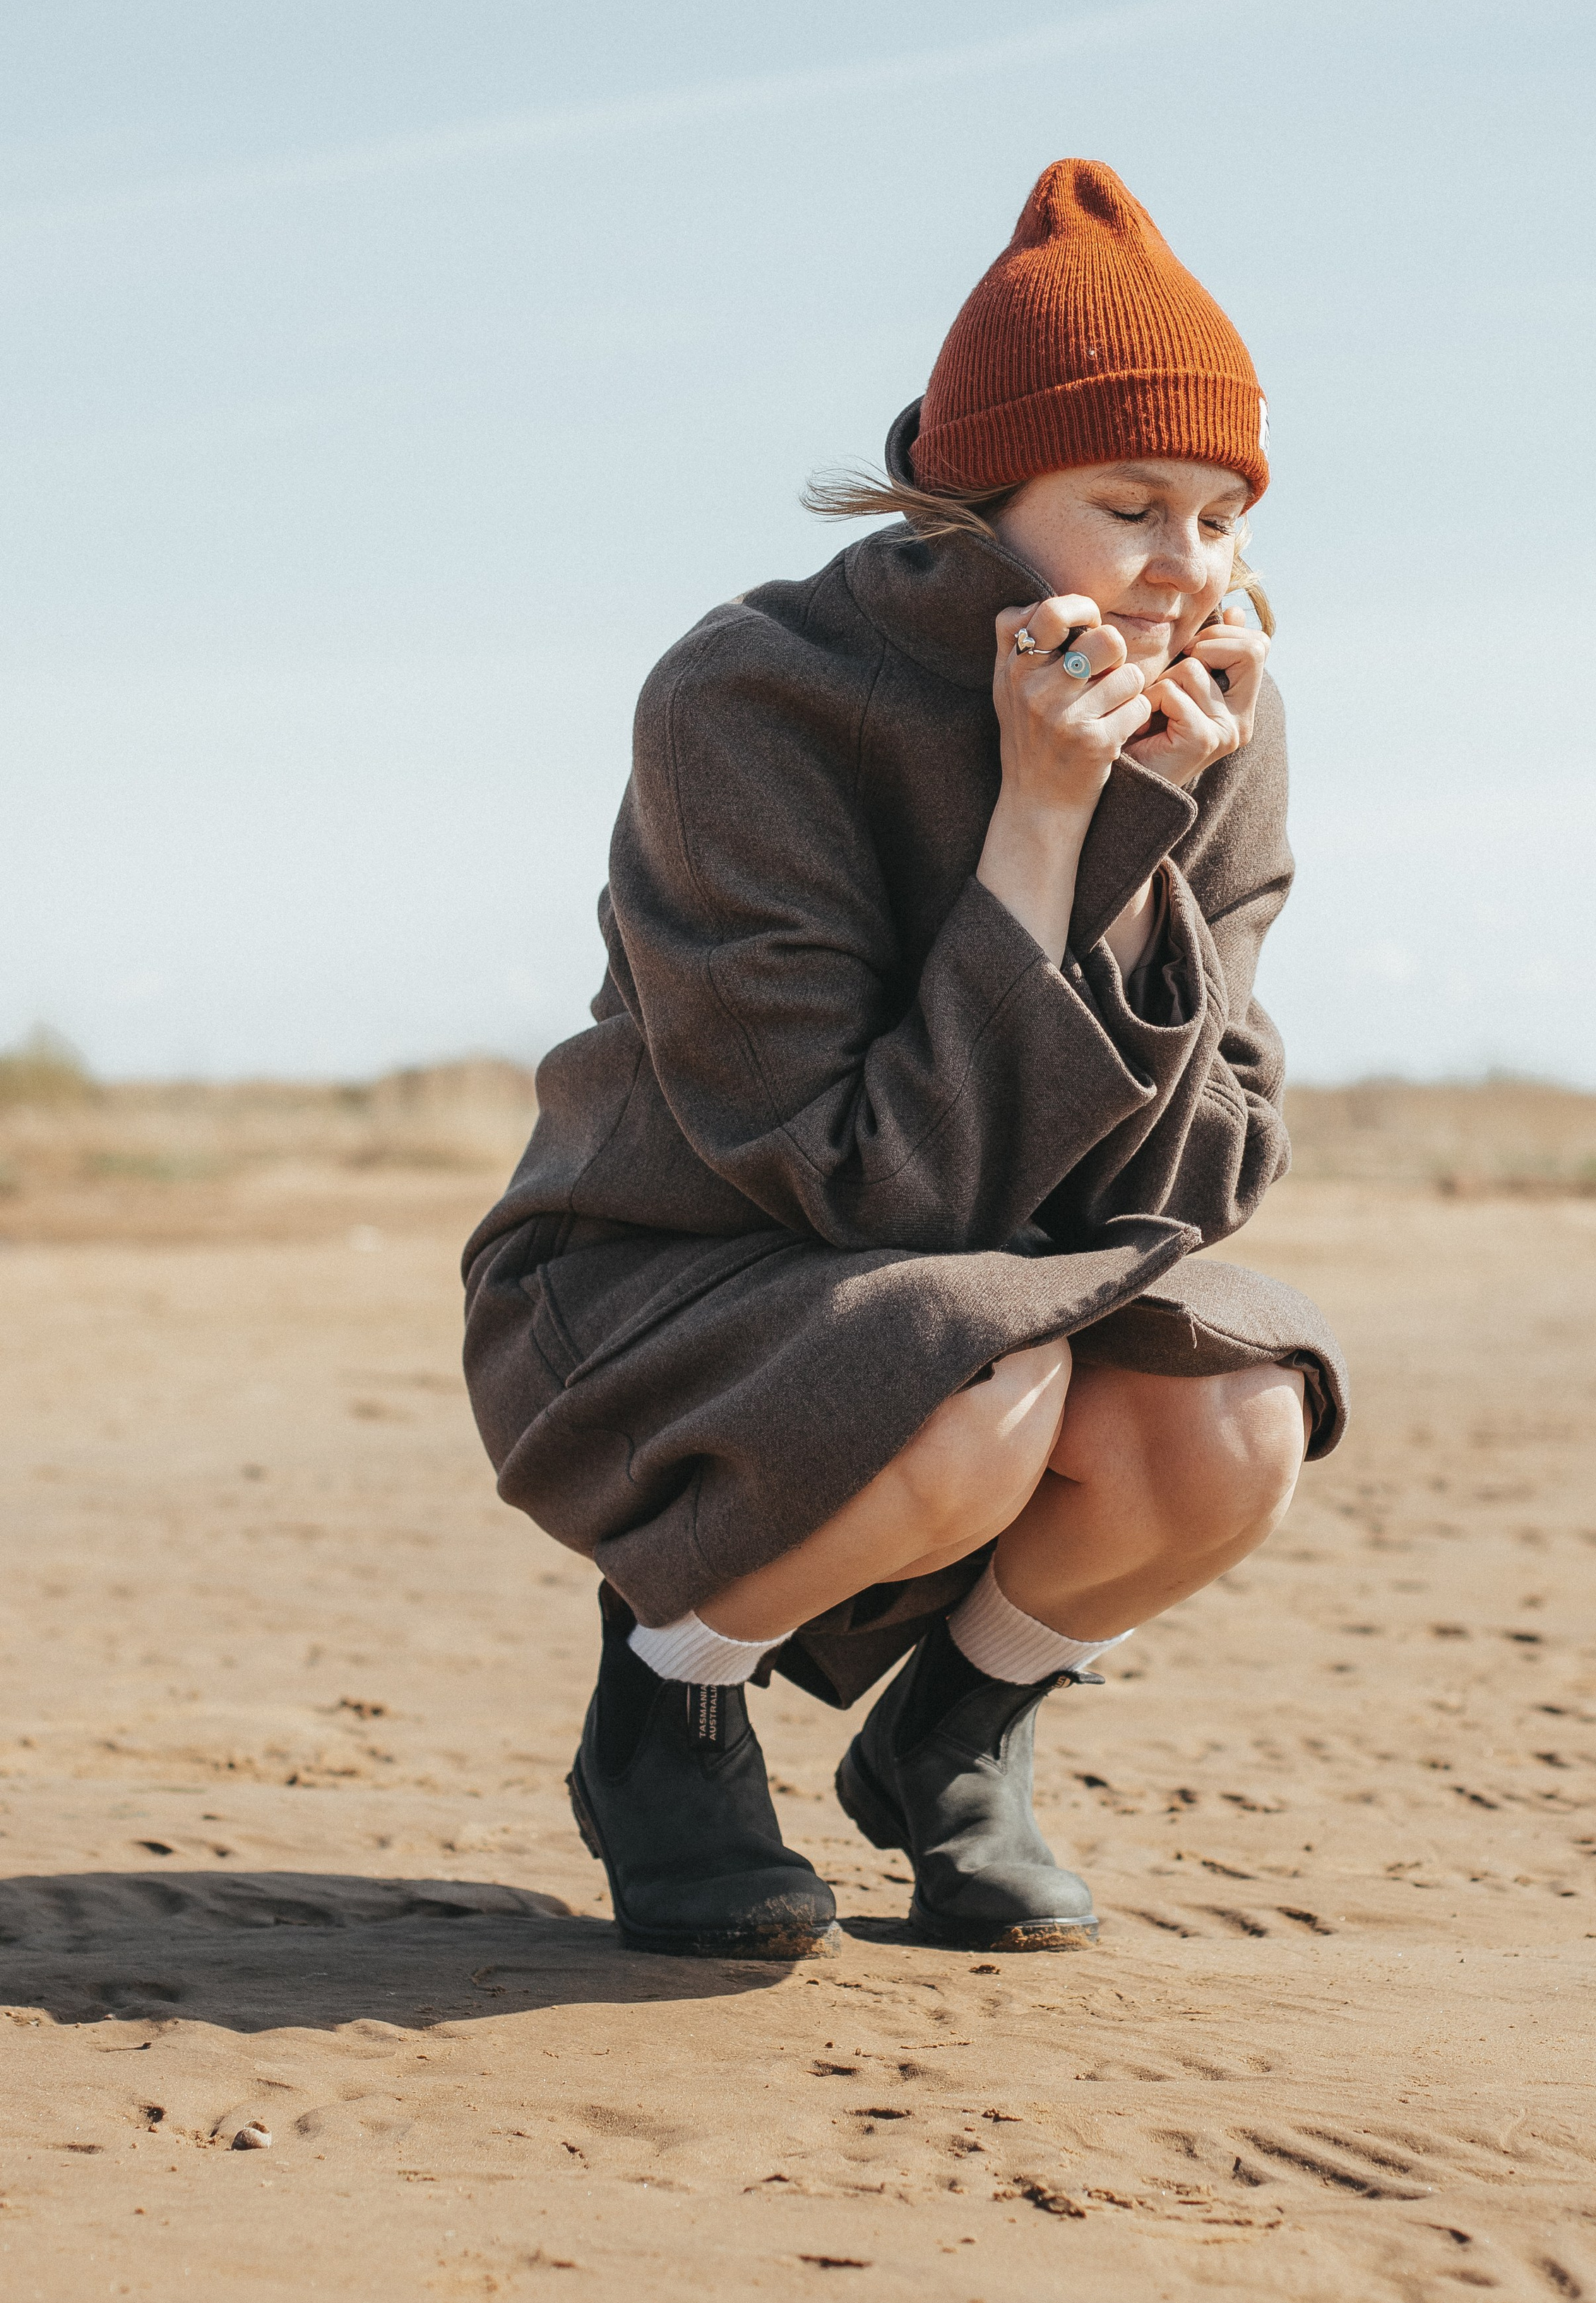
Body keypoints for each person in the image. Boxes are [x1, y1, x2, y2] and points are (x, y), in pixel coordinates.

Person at [462, 157, 1348, 1960]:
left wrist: (1150, 825)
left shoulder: (1223, 722)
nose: (1190, 570)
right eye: (1131, 504)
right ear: (981, 498)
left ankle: (950, 1739)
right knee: (977, 1378)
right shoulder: (751, 696)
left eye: (1223, 514)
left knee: (1237, 1410)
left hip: (987, 1288)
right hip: (664, 1276)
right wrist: (1040, 825)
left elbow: (1196, 1179)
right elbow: (856, 1181)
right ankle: (668, 1702)